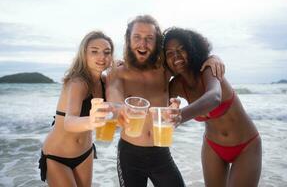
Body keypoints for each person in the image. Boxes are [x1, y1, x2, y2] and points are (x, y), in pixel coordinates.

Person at [106, 15, 224, 187]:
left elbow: (189, 61)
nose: (143, 44)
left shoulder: (164, 71)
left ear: (157, 43)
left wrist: (212, 58)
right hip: (130, 155)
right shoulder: (118, 72)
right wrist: (119, 110)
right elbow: (114, 96)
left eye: (149, 39)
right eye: (137, 37)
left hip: (161, 153)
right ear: (128, 40)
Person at [163, 27, 262, 187]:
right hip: (213, 147)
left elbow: (214, 97)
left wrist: (180, 115)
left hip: (246, 146)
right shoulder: (176, 85)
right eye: (169, 53)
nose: (176, 56)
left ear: (192, 50)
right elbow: (154, 99)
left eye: (182, 50)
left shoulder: (208, 69)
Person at [38, 31, 114, 186]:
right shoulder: (77, 82)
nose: (102, 57)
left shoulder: (104, 81)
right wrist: (92, 121)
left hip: (85, 153)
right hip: (57, 156)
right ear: (83, 54)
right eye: (94, 52)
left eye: (107, 52)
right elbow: (69, 121)